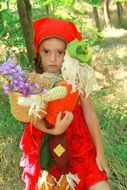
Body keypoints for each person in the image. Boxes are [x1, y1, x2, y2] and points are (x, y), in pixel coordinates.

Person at [20, 17, 110, 190]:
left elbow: (90, 115)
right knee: (50, 183)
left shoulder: (76, 79)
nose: (52, 59)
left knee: (101, 187)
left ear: (67, 54)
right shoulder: (34, 80)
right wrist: (54, 130)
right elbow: (30, 117)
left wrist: (100, 153)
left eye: (59, 52)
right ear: (39, 52)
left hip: (76, 141)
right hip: (44, 138)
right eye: (46, 52)